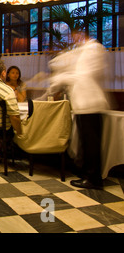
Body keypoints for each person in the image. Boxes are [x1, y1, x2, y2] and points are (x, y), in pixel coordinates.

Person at [48, 38, 110, 190]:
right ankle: (87, 174)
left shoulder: (93, 49)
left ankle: (94, 179)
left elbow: (81, 75)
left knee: (91, 145)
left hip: (90, 105)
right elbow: (67, 64)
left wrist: (58, 79)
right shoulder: (83, 52)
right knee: (86, 143)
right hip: (84, 106)